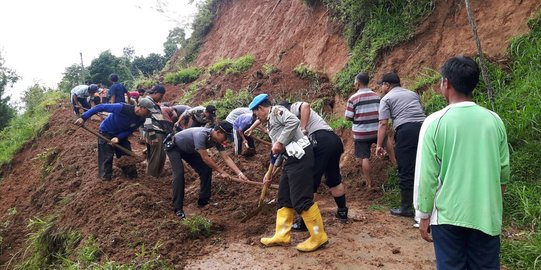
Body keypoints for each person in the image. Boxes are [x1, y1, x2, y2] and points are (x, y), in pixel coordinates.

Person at [414, 56, 510, 269]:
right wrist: (493, 207)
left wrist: (423, 215)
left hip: (448, 217)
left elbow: (427, 175)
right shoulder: (494, 121)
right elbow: (503, 173)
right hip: (486, 215)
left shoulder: (435, 122)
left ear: (446, 83)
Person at [250, 93, 328, 252]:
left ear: (261, 108)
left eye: (255, 112)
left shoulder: (277, 111)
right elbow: (278, 150)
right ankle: (282, 235)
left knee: (301, 198)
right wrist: (269, 172)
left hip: (302, 157)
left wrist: (280, 141)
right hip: (290, 159)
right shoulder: (271, 123)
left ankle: (318, 236)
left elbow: (294, 121)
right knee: (284, 197)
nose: (255, 116)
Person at [280, 100, 348, 231]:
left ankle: (305, 223)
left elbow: (305, 106)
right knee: (334, 179)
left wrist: (303, 128)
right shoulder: (289, 122)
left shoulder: (290, 110)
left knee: (309, 182)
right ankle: (342, 212)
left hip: (320, 140)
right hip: (334, 140)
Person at [165, 121, 250, 219]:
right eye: (225, 137)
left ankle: (203, 200)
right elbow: (205, 158)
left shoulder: (216, 140)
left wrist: (239, 173)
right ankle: (178, 209)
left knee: (206, 170)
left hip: (188, 149)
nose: (226, 140)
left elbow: (226, 158)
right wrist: (222, 172)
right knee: (179, 174)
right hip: (174, 147)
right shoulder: (201, 135)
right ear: (218, 132)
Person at [375, 72, 426, 217]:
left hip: (406, 131)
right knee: (423, 166)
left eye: (382, 85)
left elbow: (383, 124)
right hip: (425, 128)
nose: (381, 88)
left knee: (406, 169)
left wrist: (379, 145)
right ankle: (427, 205)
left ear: (387, 85)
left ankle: (406, 207)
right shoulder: (412, 94)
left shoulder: (386, 99)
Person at [74, 101, 152, 181]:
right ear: (142, 108)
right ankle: (105, 179)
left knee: (126, 156)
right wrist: (83, 117)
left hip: (120, 134)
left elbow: (129, 130)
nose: (149, 113)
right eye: (148, 111)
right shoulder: (122, 108)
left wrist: (118, 137)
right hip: (106, 131)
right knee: (107, 156)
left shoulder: (142, 119)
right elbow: (100, 107)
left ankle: (132, 177)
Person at [345, 72, 380, 189]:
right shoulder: (376, 96)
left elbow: (348, 117)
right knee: (387, 139)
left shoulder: (353, 98)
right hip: (376, 130)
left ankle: (369, 184)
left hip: (361, 133)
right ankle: (395, 162)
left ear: (358, 83)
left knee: (365, 157)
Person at [141, 84, 171, 177]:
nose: (161, 99)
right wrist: (153, 136)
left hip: (156, 132)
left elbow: (158, 119)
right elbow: (146, 120)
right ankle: (152, 178)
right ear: (155, 93)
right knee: (156, 157)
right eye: (161, 96)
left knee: (157, 156)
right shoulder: (147, 102)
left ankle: (154, 176)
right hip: (154, 132)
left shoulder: (151, 102)